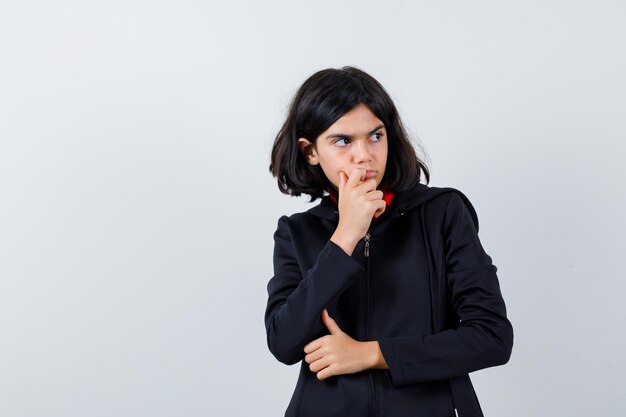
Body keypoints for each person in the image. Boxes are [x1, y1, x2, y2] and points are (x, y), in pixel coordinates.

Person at [264, 66, 513, 417]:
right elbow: (283, 343)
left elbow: (492, 338)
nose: (364, 154)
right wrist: (346, 235)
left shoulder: (441, 212)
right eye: (343, 140)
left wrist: (370, 354)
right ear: (310, 152)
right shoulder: (296, 232)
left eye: (375, 136)